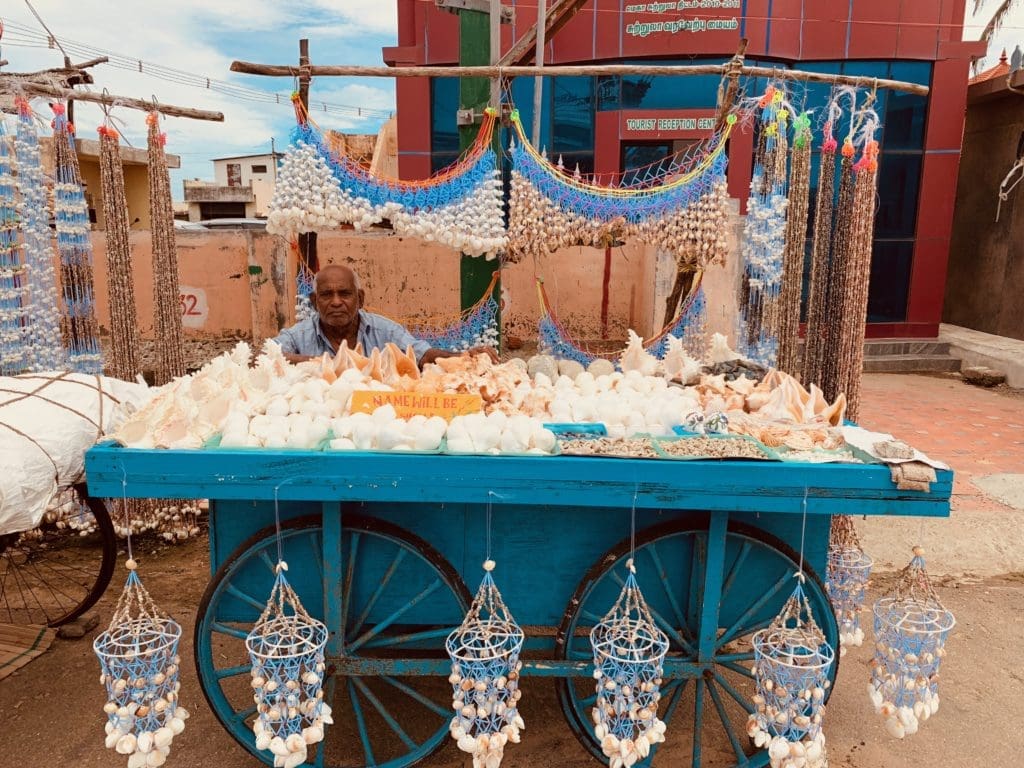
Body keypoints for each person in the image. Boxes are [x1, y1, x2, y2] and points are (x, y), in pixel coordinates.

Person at [273, 264, 498, 367]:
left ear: (360, 299)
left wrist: (465, 356)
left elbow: (423, 355)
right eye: (326, 295)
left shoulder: (385, 331)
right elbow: (263, 358)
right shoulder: (299, 335)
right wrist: (321, 362)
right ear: (314, 302)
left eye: (345, 294)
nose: (336, 302)